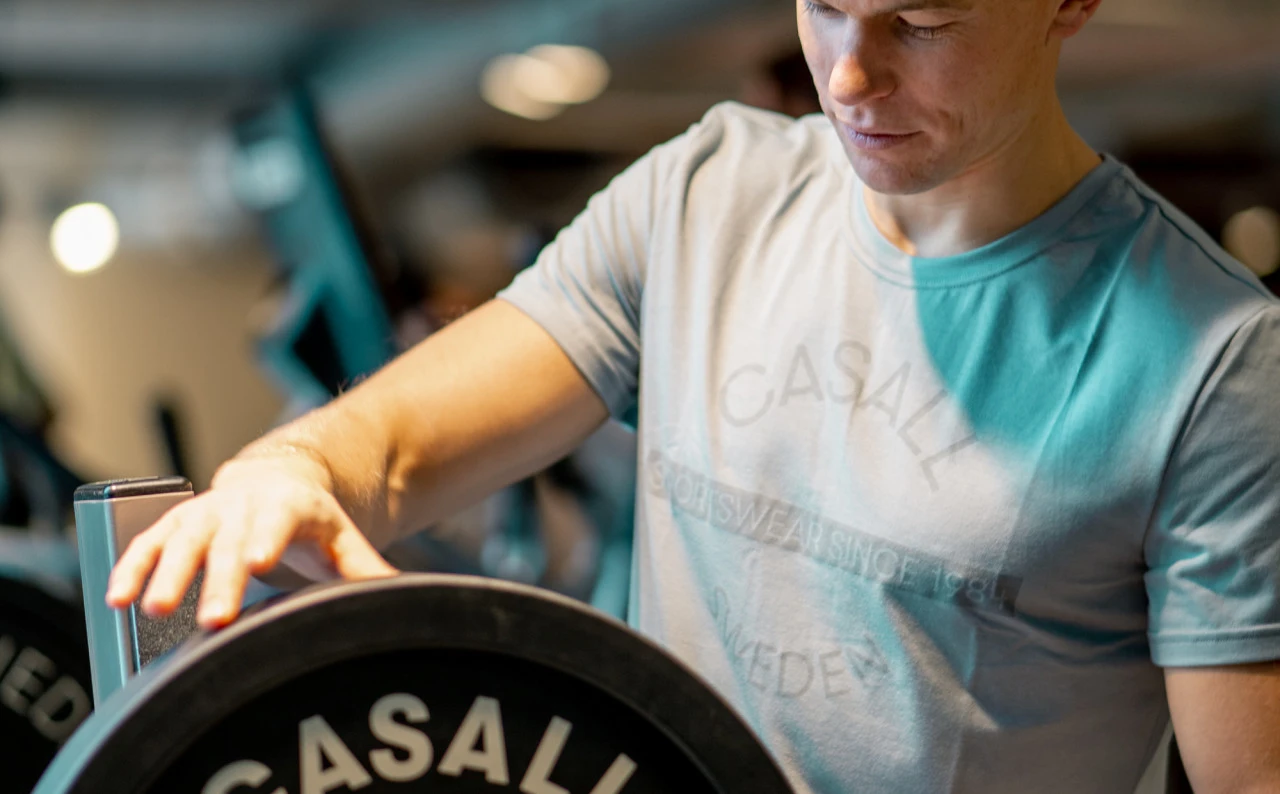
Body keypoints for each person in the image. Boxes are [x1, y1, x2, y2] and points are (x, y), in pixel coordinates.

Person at [106, 0, 1280, 791]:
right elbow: (396, 447)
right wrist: (291, 467)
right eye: (824, 5)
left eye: (920, 22)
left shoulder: (1213, 360)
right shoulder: (702, 196)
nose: (849, 75)